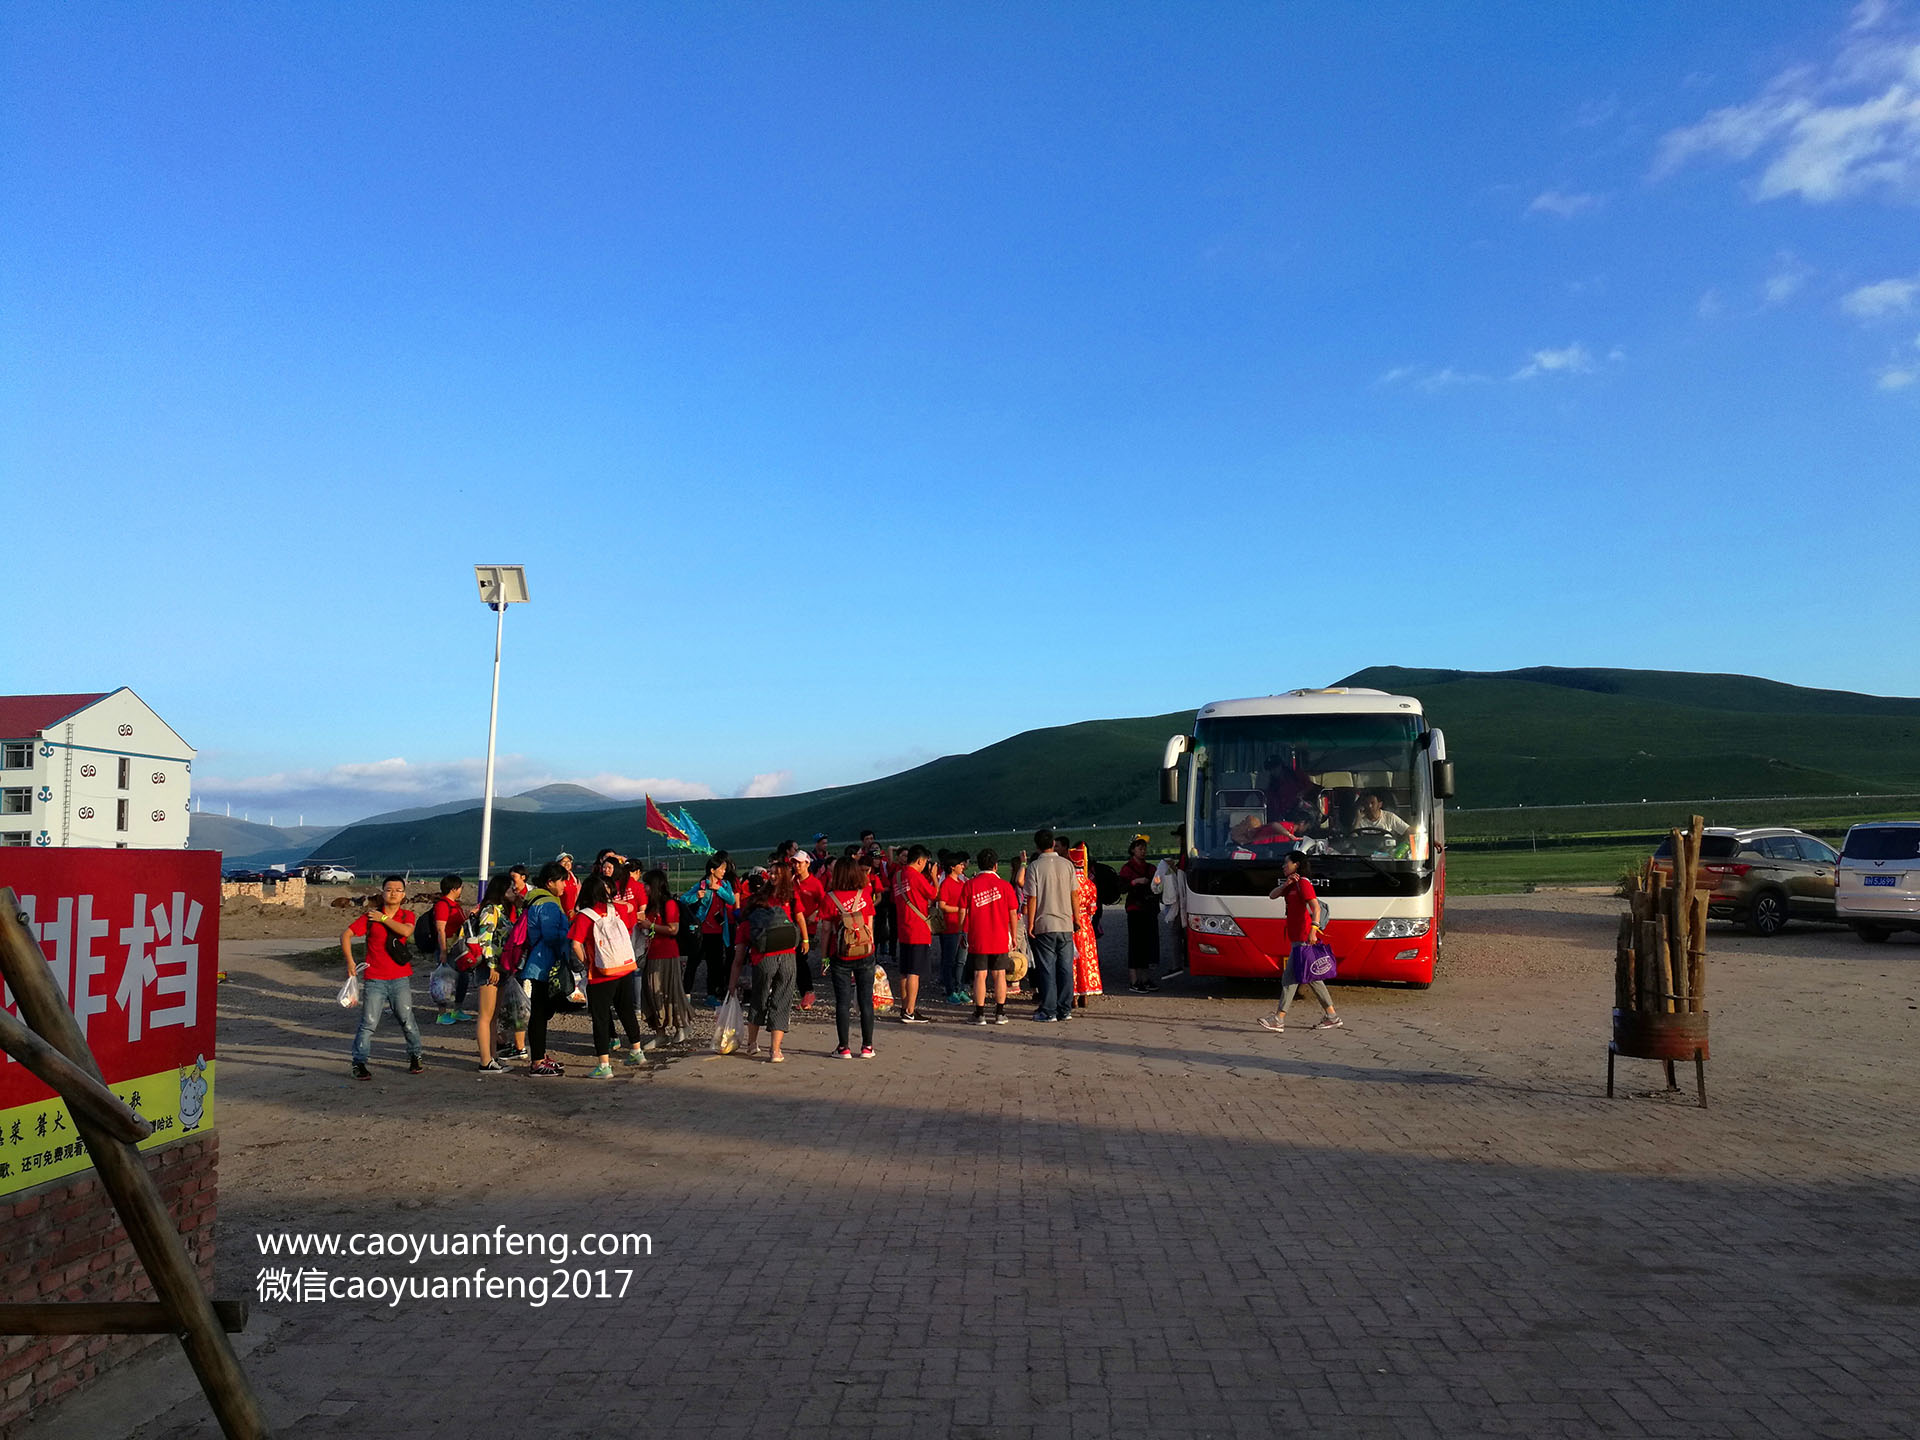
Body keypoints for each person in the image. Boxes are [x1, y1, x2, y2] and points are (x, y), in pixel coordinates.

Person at [342, 876, 423, 1079]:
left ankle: (415, 1056)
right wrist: (350, 962)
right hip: (375, 978)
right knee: (369, 1022)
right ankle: (359, 1063)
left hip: (400, 977)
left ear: (403, 894)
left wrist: (384, 919)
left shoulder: (407, 915)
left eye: (398, 890)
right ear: (382, 892)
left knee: (407, 1019)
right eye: (389, 889)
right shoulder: (370, 917)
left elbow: (406, 931)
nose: (393, 893)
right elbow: (346, 935)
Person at [569, 874, 647, 1078]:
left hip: (601, 973)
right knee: (627, 1009)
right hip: (624, 967)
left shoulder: (585, 915)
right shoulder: (616, 909)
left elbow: (575, 944)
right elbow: (631, 909)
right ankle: (637, 1051)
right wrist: (616, 900)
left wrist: (587, 962)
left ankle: (604, 1065)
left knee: (601, 1017)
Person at [1257, 851, 1342, 1033]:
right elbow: (1272, 895)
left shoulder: (1303, 883)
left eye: (1286, 863)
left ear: (1296, 864)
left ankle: (1279, 1018)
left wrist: (1314, 929)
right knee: (1312, 978)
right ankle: (1332, 1016)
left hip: (1304, 938)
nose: (1283, 866)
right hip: (1296, 938)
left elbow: (1316, 908)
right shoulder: (1292, 884)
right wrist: (1286, 884)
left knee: (1290, 979)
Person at [736, 868, 805, 1062]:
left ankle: (751, 1044)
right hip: (788, 954)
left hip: (763, 957)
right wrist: (806, 940)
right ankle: (775, 1050)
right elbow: (799, 918)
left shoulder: (753, 908)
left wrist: (732, 984)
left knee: (759, 998)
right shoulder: (790, 896)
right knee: (782, 1000)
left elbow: (738, 957)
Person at [518, 862, 575, 1076]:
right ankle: (537, 1061)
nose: (564, 886)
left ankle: (539, 1056)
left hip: (537, 963)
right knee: (541, 1012)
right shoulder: (549, 904)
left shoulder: (534, 900)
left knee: (542, 1010)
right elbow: (551, 935)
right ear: (550, 882)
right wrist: (569, 932)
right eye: (562, 881)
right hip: (544, 964)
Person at [820, 855, 879, 1058]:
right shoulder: (865, 893)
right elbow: (870, 926)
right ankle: (867, 1046)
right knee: (866, 1001)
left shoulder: (830, 898)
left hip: (840, 955)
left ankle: (843, 1047)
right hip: (865, 953)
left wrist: (824, 957)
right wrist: (870, 949)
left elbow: (826, 931)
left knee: (842, 1002)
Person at [470, 870, 529, 1073]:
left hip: (501, 968)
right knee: (486, 1015)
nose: (515, 890)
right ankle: (485, 1060)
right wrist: (491, 965)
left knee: (494, 1016)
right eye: (511, 887)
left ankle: (493, 1056)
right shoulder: (490, 910)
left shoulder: (502, 911)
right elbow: (485, 939)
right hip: (490, 969)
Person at [1022, 827, 1077, 1023]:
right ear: (1053, 843)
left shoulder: (1035, 867)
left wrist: (1030, 923)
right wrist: (1076, 919)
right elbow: (1074, 894)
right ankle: (1065, 1008)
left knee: (1047, 969)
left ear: (1037, 846)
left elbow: (1032, 898)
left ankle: (1048, 1010)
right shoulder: (1067, 865)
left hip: (1044, 923)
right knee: (1065, 969)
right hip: (1065, 923)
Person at [962, 849, 1017, 1025]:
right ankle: (1000, 1013)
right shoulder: (1005, 886)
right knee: (999, 974)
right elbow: (1013, 913)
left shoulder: (970, 885)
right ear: (995, 865)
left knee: (980, 974)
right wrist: (1014, 935)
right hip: (1000, 936)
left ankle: (979, 1014)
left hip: (978, 936)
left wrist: (962, 932)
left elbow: (963, 912)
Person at [638, 868, 690, 1047]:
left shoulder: (669, 904)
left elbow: (673, 929)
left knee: (669, 990)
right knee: (651, 993)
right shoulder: (650, 906)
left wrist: (650, 925)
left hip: (667, 954)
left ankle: (680, 1026)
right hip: (652, 953)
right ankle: (660, 1032)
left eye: (647, 884)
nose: (644, 888)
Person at [679, 854, 737, 1007]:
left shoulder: (724, 885)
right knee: (693, 962)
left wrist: (719, 890)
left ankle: (711, 994)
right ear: (712, 870)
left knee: (715, 965)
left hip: (718, 932)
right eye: (722, 869)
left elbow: (731, 900)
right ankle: (686, 993)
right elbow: (684, 899)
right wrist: (696, 896)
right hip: (701, 931)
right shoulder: (702, 884)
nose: (724, 871)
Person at [891, 845, 938, 1023]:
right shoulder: (915, 876)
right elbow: (933, 894)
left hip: (903, 927)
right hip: (918, 929)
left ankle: (904, 1008)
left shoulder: (897, 876)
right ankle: (911, 1010)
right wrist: (933, 877)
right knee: (914, 972)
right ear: (920, 860)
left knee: (904, 971)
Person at [1117, 836, 1160, 993]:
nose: (1143, 851)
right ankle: (1134, 979)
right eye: (1140, 848)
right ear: (1133, 850)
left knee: (1148, 944)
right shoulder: (1127, 869)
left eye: (1144, 848)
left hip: (1149, 910)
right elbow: (1121, 888)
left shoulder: (1151, 868)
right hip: (1135, 910)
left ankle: (1145, 978)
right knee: (1136, 945)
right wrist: (1134, 882)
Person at [429, 875, 471, 1025]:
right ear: (454, 888)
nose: (461, 890)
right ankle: (441, 1013)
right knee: (445, 981)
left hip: (458, 948)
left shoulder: (455, 905)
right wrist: (443, 951)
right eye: (460, 887)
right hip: (448, 948)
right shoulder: (443, 905)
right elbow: (441, 929)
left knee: (463, 979)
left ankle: (457, 1009)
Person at [1067, 844, 1103, 1007]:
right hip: (1086, 925)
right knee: (1085, 959)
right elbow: (1093, 909)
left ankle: (1073, 995)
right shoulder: (1090, 884)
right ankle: (1085, 995)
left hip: (1070, 924)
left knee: (1071, 960)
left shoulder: (1068, 883)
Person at [790, 849, 827, 1010]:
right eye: (794, 862)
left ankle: (808, 992)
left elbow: (825, 903)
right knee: (794, 960)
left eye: (799, 862)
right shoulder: (792, 881)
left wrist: (816, 914)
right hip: (792, 925)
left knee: (799, 959)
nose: (796, 865)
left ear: (807, 863)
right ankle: (803, 992)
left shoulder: (815, 883)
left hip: (808, 927)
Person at [1152, 826, 1190, 978]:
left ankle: (1177, 964)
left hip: (1180, 900)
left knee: (1175, 933)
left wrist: (1172, 867)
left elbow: (1182, 873)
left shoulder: (1184, 855)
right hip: (1182, 899)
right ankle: (1183, 960)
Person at [935, 850, 969, 1004]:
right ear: (952, 867)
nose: (962, 866)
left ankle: (959, 988)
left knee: (961, 961)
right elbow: (942, 905)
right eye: (959, 865)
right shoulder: (946, 883)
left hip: (963, 926)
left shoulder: (962, 882)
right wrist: (960, 909)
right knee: (949, 960)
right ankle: (950, 991)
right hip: (950, 927)